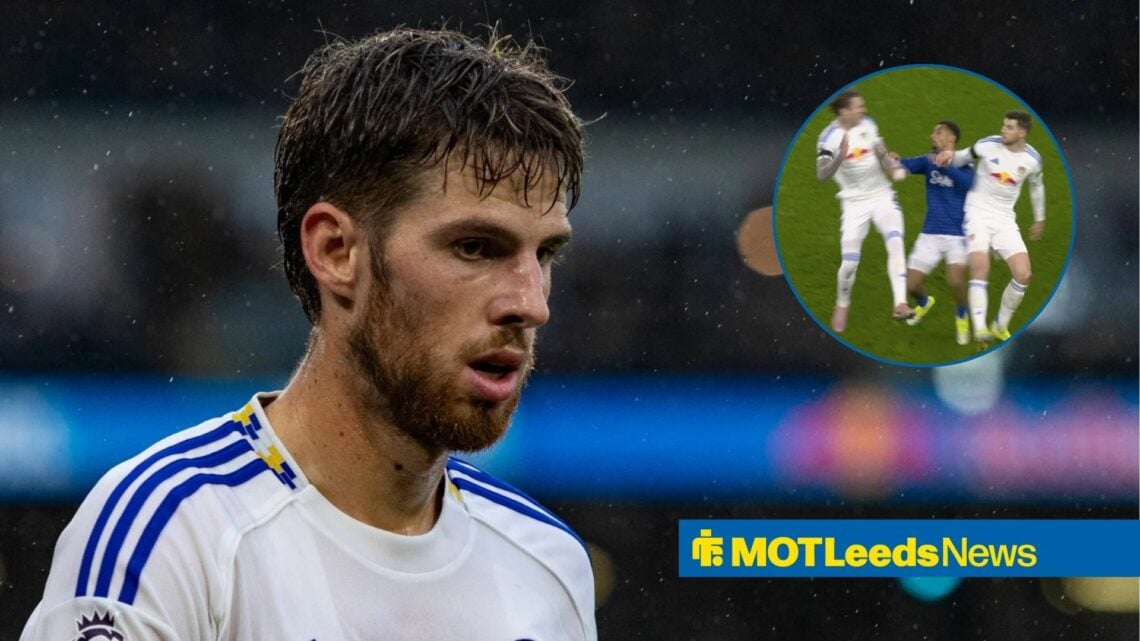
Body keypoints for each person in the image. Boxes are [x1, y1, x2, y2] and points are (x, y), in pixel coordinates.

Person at [22, 27, 597, 641]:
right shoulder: (166, 538)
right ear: (336, 251)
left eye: (545, 255)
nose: (531, 304)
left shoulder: (548, 566)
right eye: (475, 247)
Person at [935, 110, 1045, 342]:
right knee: (980, 267)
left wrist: (1039, 218)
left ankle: (999, 325)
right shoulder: (988, 145)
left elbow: (1037, 186)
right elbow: (965, 156)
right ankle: (980, 328)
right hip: (977, 213)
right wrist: (949, 156)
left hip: (1005, 219)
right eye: (1003, 125)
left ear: (1022, 132)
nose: (1003, 130)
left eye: (1009, 127)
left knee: (1024, 275)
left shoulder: (1032, 160)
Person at [816, 89, 913, 333]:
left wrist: (893, 166)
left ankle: (900, 303)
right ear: (843, 111)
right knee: (849, 263)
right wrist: (840, 156)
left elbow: (881, 152)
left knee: (896, 241)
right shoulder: (828, 138)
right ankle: (842, 303)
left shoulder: (868, 124)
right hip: (853, 204)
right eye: (858, 107)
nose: (864, 110)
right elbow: (822, 175)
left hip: (882, 196)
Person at [888, 121, 975, 345]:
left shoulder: (965, 163)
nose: (932, 135)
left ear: (951, 138)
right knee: (910, 286)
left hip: (958, 235)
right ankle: (925, 303)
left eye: (939, 131)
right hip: (930, 234)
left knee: (955, 281)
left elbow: (970, 184)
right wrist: (893, 160)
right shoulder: (927, 161)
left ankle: (962, 317)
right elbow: (903, 165)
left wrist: (947, 165)